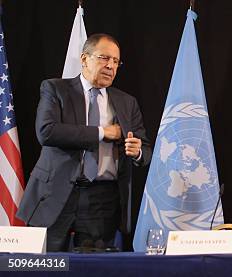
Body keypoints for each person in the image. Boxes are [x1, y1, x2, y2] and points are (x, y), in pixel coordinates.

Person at [17, 33, 152, 251]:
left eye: (116, 61)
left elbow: (145, 149)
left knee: (94, 268)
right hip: (56, 193)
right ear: (84, 59)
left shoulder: (127, 102)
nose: (110, 66)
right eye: (104, 58)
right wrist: (102, 132)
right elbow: (47, 131)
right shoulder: (55, 89)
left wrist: (136, 151)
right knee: (45, 267)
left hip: (102, 201)